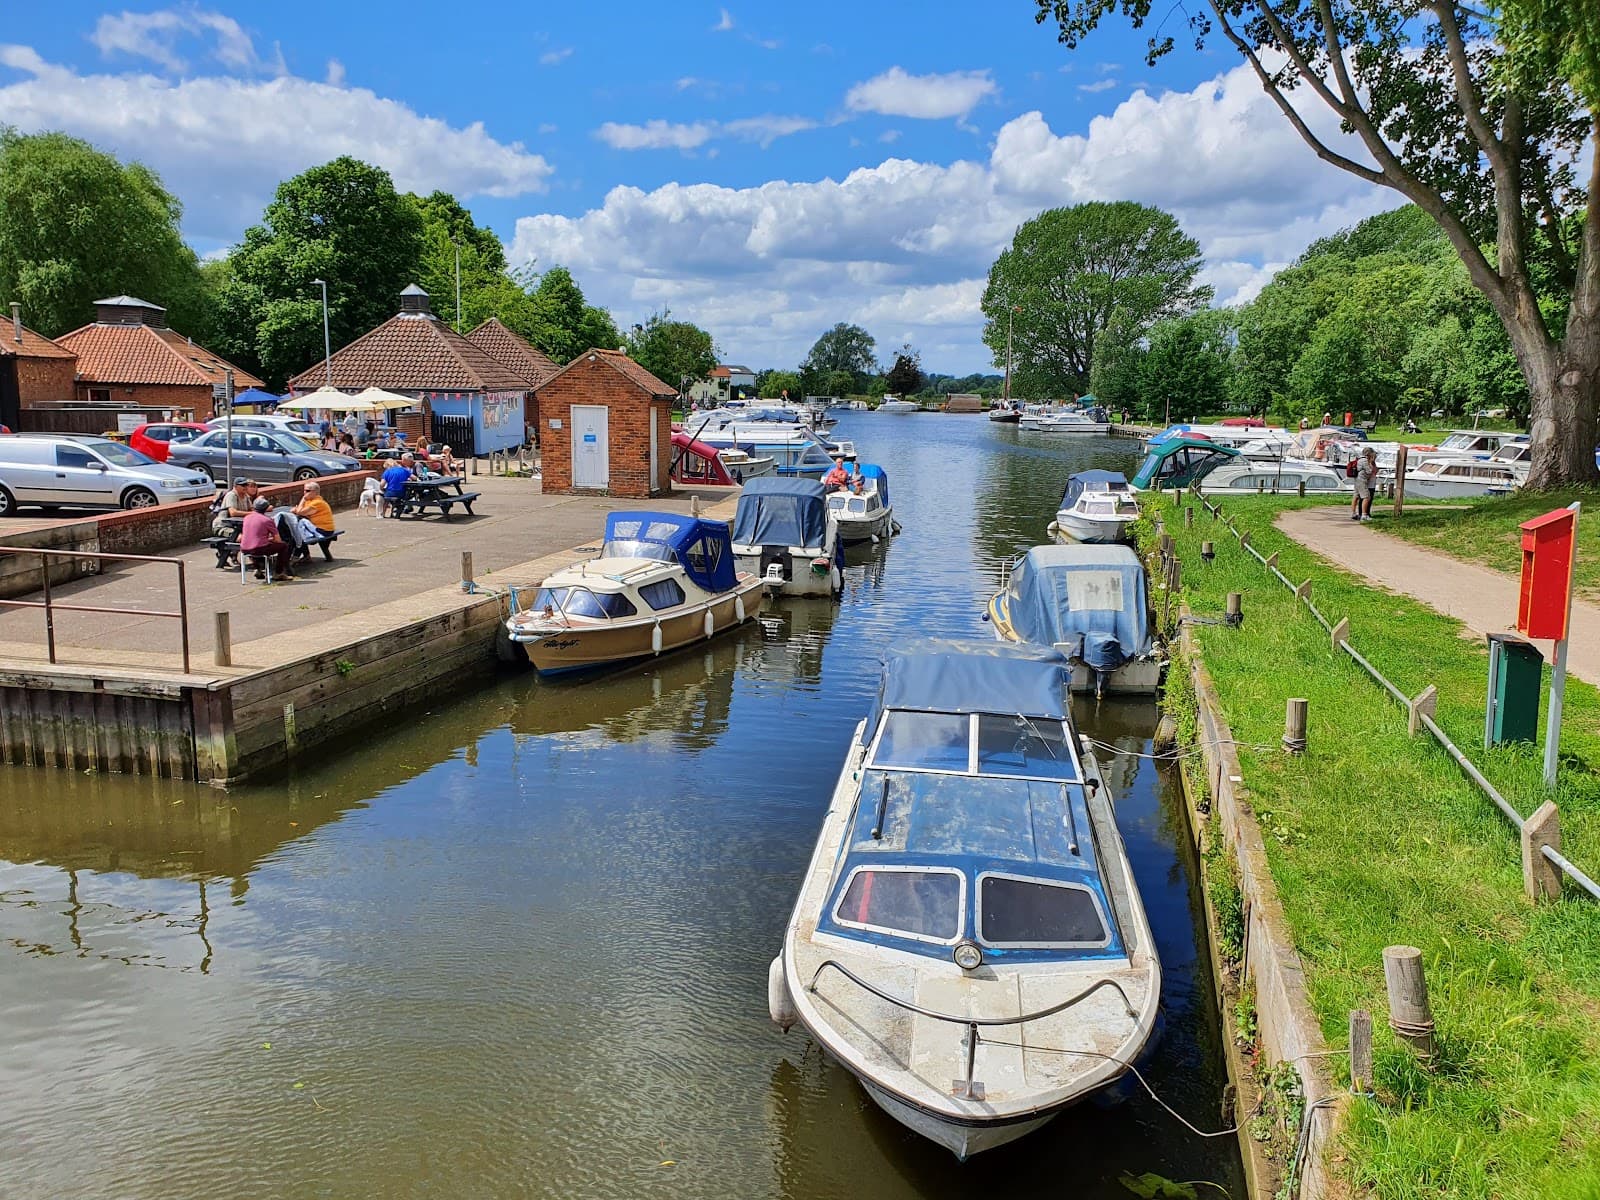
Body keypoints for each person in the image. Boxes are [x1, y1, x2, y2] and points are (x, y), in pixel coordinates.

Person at [240, 498, 295, 580]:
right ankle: (279, 572)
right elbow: (277, 539)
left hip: (244, 548)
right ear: (266, 509)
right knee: (283, 546)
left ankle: (257, 568)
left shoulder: (246, 518)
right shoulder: (267, 520)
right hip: (259, 549)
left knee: (255, 545)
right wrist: (270, 539)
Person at [290, 480, 334, 554]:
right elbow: (301, 512)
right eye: (304, 490)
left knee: (295, 533)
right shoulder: (310, 501)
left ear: (315, 492)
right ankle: (306, 556)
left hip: (323, 530)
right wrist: (299, 510)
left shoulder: (317, 503)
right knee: (296, 529)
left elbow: (300, 512)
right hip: (315, 527)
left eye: (307, 491)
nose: (304, 493)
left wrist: (303, 499)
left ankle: (296, 556)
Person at [1352, 446, 1378, 522]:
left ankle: (1354, 513)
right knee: (1366, 497)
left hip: (1357, 480)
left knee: (1356, 496)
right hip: (1362, 481)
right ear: (1369, 454)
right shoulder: (1365, 461)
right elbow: (1369, 471)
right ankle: (1364, 515)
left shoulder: (1360, 460)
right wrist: (1371, 462)